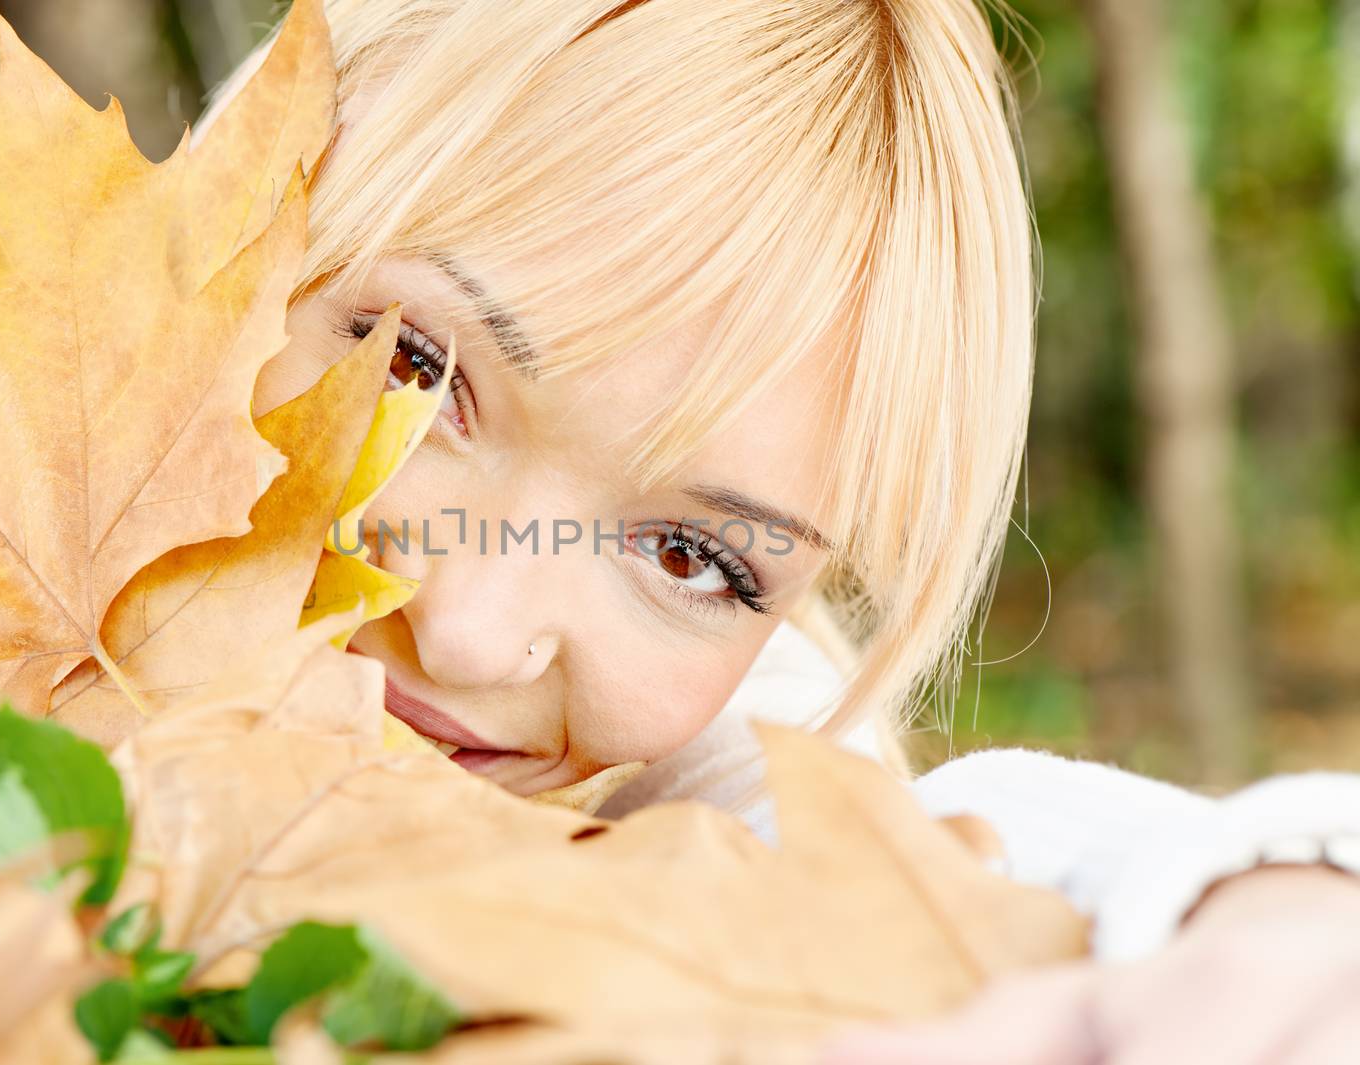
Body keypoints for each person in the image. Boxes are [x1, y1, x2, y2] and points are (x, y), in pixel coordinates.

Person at [206, 0, 1360, 1059]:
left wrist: (1256, 901)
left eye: (686, 558)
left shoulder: (671, 776)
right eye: (416, 368)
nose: (464, 631)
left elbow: (846, 825)